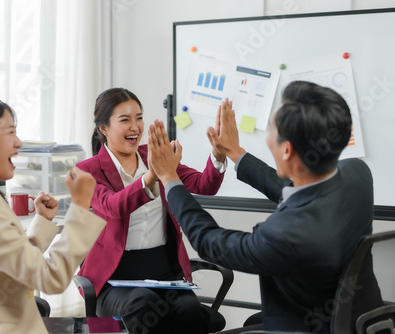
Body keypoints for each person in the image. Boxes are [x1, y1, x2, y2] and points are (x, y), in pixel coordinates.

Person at [147, 81, 384, 333]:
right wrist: (236, 153)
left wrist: (169, 178)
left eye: (270, 127)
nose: (268, 133)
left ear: (286, 149)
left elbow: (208, 240)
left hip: (307, 327)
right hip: (358, 320)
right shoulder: (357, 175)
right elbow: (294, 189)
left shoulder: (284, 234)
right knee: (252, 323)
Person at [0, 96, 106, 334]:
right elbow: (50, 278)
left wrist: (43, 221)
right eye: (10, 132)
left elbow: (17, 263)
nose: (19, 143)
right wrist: (79, 207)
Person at [76, 87, 227, 334]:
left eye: (139, 117)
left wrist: (218, 156)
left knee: (189, 309)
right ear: (103, 128)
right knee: (143, 304)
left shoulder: (154, 155)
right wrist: (151, 176)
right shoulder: (86, 170)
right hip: (114, 280)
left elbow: (204, 185)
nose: (135, 126)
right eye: (125, 120)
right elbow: (115, 206)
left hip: (164, 273)